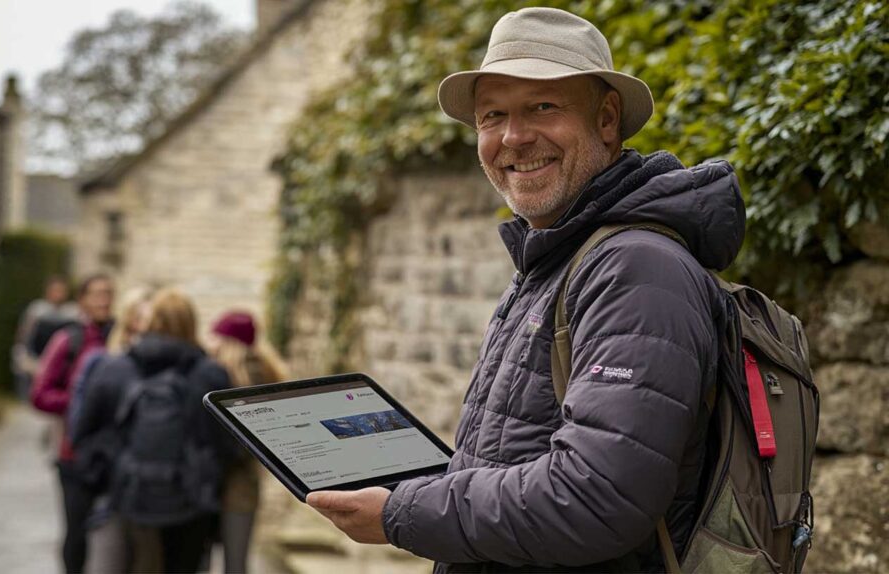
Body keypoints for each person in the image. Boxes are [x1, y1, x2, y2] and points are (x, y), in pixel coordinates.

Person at [305, 7, 745, 573]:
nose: (514, 137)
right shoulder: (558, 260)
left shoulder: (637, 269)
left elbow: (596, 496)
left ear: (607, 119)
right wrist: (415, 479)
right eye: (493, 115)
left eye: (543, 106)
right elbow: (514, 458)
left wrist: (403, 511)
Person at [72, 289, 234, 573]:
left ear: (150, 322)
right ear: (191, 324)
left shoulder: (113, 367)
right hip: (190, 501)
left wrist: (107, 474)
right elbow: (226, 444)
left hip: (127, 494)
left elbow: (83, 433)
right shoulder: (210, 374)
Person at [31, 273, 115, 574]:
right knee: (77, 531)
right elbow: (39, 394)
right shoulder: (68, 340)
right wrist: (81, 402)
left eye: (108, 293)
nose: (103, 300)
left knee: (114, 534)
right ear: (82, 300)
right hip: (73, 454)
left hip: (115, 454)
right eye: (96, 293)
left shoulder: (121, 340)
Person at [68, 287, 155, 574]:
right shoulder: (103, 361)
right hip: (110, 477)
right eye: (143, 316)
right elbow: (81, 420)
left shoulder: (169, 366)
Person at [206, 311, 289, 574]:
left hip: (216, 482)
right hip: (245, 485)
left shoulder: (223, 379)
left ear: (229, 342)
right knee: (237, 562)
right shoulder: (269, 373)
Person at [12, 275, 78, 399]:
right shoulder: (36, 310)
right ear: (47, 291)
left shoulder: (73, 312)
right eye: (55, 290)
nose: (58, 294)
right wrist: (24, 359)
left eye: (61, 290)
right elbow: (24, 335)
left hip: (62, 367)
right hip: (36, 363)